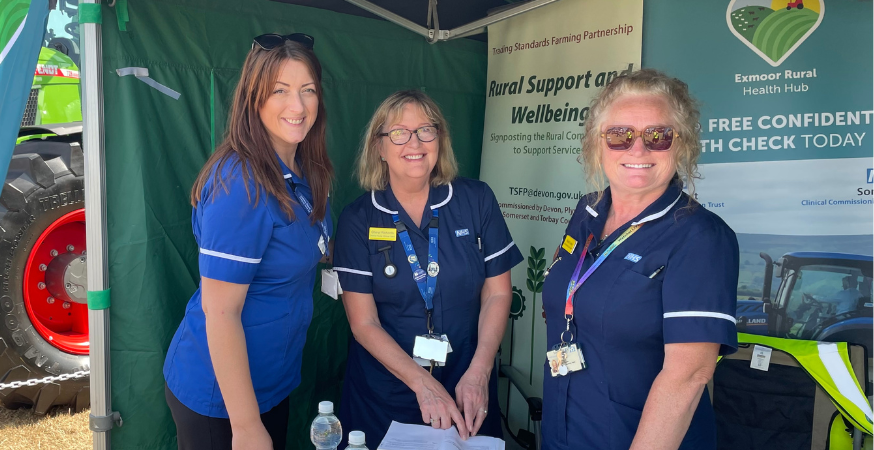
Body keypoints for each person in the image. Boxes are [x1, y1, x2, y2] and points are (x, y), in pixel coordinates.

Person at [541, 69, 739, 450]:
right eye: (620, 135)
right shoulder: (587, 211)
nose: (638, 150)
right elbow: (570, 287)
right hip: (563, 431)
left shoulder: (701, 238)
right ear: (597, 143)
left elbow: (687, 377)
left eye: (657, 136)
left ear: (681, 144)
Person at [162, 33, 333, 450]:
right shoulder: (240, 183)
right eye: (280, 91)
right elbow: (220, 311)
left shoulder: (303, 169)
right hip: (222, 402)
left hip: (271, 382)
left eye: (308, 90)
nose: (298, 106)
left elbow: (313, 248)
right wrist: (246, 426)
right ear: (253, 98)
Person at [332, 90, 523, 449]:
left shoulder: (476, 200)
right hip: (386, 395)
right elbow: (364, 323)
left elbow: (498, 293)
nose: (415, 143)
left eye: (425, 130)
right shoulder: (358, 218)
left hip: (468, 386)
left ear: (440, 139)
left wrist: (480, 372)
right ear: (379, 147)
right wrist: (423, 384)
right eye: (399, 133)